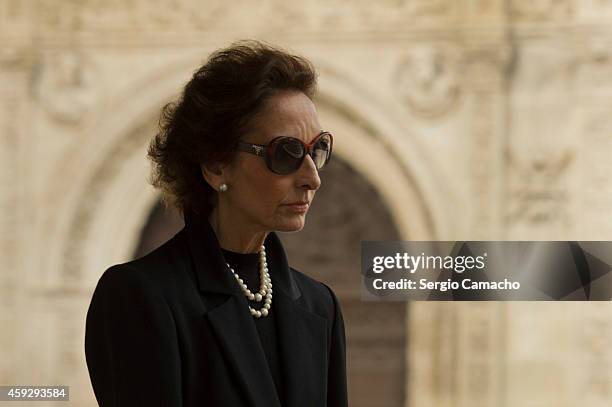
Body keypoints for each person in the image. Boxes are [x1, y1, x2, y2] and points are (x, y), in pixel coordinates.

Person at [84, 40, 348, 407]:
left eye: (317, 150)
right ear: (216, 165)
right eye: (286, 153)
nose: (312, 178)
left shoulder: (321, 305)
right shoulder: (138, 297)